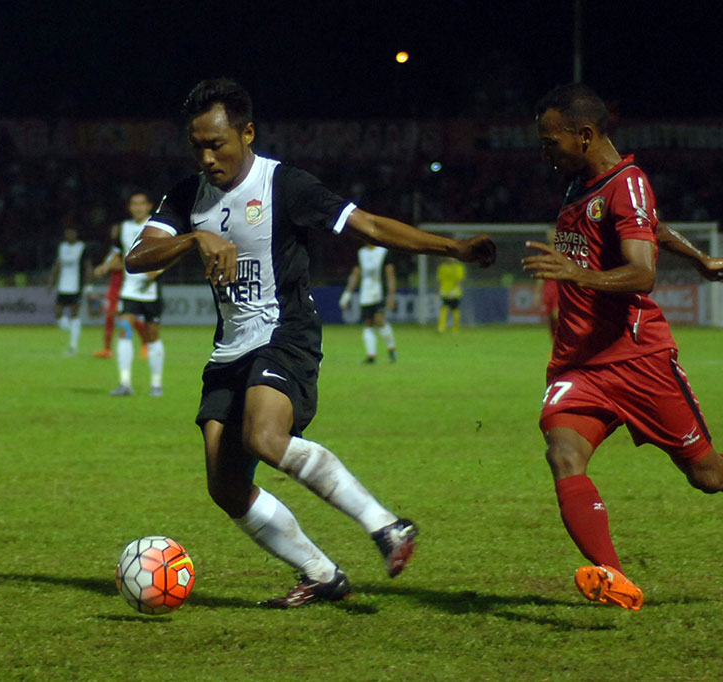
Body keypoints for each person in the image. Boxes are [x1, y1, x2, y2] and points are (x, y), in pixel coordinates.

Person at [126, 78, 495, 607]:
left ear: (247, 133)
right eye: (197, 146)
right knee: (225, 487)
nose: (207, 158)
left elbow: (369, 226)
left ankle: (386, 525)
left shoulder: (286, 185)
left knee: (265, 436)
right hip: (229, 349)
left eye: (217, 144)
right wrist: (193, 237)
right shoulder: (187, 196)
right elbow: (137, 259)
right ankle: (320, 573)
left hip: (285, 334)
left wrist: (452, 249)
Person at [522, 83, 723, 611]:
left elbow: (642, 273)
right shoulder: (580, 183)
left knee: (708, 474)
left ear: (584, 135)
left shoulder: (626, 182)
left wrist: (577, 274)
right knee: (563, 454)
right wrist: (700, 259)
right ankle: (615, 576)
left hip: (637, 359)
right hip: (580, 363)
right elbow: (648, 227)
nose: (545, 152)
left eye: (550, 141)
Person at [109, 191, 165, 397]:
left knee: (152, 336)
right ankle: (125, 383)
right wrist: (106, 266)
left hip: (151, 292)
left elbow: (170, 252)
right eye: (134, 204)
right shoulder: (123, 227)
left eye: (142, 204)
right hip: (129, 290)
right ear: (130, 207)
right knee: (124, 330)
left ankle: (156, 384)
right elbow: (118, 254)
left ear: (149, 206)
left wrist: (157, 270)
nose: (138, 208)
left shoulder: (157, 226)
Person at [94, 223, 148, 359]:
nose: (113, 232)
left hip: (123, 284)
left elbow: (123, 263)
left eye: (116, 230)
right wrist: (103, 268)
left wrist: (106, 268)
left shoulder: (125, 247)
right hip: (113, 285)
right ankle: (107, 349)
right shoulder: (114, 250)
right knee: (110, 315)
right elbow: (112, 263)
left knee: (128, 316)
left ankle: (145, 343)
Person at [339, 244, 398, 362]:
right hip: (366, 294)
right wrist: (347, 294)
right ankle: (371, 355)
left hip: (380, 292)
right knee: (368, 322)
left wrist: (392, 296)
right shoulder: (361, 253)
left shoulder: (384, 252)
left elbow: (390, 275)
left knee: (379, 320)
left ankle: (391, 349)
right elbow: (356, 274)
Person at [48, 226, 90, 356]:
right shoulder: (62, 247)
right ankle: (74, 331)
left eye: (72, 232)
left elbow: (87, 266)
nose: (69, 235)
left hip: (76, 286)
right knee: (58, 314)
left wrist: (89, 284)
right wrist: (52, 282)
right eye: (67, 233)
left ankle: (73, 345)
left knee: (74, 314)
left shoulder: (82, 247)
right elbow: (58, 264)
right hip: (63, 286)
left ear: (76, 234)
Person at [436, 257, 466, 332]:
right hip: (445, 291)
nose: (451, 259)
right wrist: (440, 289)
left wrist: (454, 290)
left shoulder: (458, 267)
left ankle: (455, 328)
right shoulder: (442, 267)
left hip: (454, 292)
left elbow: (460, 280)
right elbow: (440, 279)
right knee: (444, 308)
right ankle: (441, 327)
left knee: (455, 309)